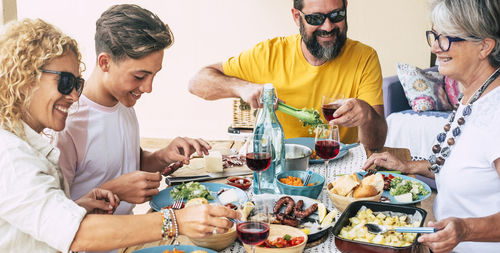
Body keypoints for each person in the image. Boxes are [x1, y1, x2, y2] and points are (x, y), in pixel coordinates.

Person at [0, 18, 240, 253]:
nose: (74, 96)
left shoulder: (29, 144)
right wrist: (176, 221)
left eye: (76, 83)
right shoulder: (11, 156)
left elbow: (47, 218)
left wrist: (80, 206)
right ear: (24, 78)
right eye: (64, 82)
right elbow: (77, 234)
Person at [362, 0, 500, 252]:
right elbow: (468, 169)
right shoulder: (472, 95)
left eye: (447, 37)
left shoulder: (497, 113)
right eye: (434, 35)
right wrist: (408, 166)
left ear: (484, 46)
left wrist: (467, 229)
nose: (436, 47)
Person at [53, 4, 211, 220]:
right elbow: (56, 217)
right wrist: (115, 190)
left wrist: (163, 155)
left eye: (154, 75)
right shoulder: (68, 123)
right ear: (105, 62)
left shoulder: (123, 104)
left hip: (130, 239)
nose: (148, 88)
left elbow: (126, 163)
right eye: (139, 77)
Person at [188, 0, 387, 150]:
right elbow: (197, 82)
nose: (328, 27)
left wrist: (367, 115)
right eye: (315, 18)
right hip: (279, 161)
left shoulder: (364, 57)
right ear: (296, 17)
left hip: (338, 163)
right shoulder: (269, 54)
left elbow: (376, 145)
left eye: (337, 15)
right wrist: (242, 87)